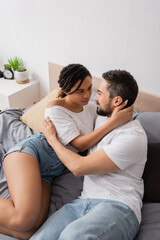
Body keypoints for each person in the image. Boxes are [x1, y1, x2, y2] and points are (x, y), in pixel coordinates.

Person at [0, 64, 132, 239]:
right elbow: (79, 145)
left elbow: (105, 115)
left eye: (90, 88)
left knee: (29, 232)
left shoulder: (91, 107)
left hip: (48, 173)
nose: (87, 95)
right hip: (29, 155)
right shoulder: (56, 108)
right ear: (66, 90)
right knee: (23, 219)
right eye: (79, 91)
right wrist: (113, 122)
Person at [30, 69, 148, 240]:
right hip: (82, 203)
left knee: (72, 236)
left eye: (99, 93)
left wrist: (52, 138)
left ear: (117, 101)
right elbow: (70, 106)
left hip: (119, 206)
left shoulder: (132, 137)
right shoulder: (101, 117)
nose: (94, 97)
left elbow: (78, 167)